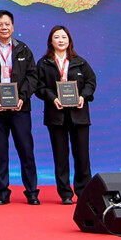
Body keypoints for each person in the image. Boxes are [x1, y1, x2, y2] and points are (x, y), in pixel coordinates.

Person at [0, 10, 41, 205]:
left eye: (7, 24)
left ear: (13, 26)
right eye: (0, 24)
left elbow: (32, 76)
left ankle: (32, 192)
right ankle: (2, 192)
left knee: (26, 150)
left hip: (20, 108)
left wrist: (22, 98)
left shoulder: (23, 49)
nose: (4, 27)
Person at [34, 25, 97, 205]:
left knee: (82, 156)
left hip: (79, 115)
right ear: (50, 41)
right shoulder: (44, 63)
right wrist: (53, 98)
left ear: (69, 40)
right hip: (56, 116)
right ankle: (65, 193)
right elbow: (39, 87)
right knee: (60, 156)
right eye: (57, 37)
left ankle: (84, 192)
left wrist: (83, 96)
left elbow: (91, 82)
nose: (61, 40)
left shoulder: (80, 62)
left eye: (64, 37)